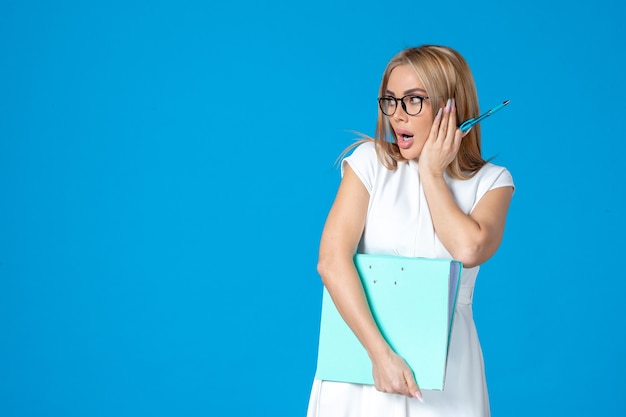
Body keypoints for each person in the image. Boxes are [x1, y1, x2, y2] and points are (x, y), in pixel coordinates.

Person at [306, 45, 515, 417]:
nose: (397, 116)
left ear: (453, 107)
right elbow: (330, 262)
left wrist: (431, 173)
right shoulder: (369, 162)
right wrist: (380, 356)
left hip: (447, 377)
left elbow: (468, 249)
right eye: (390, 100)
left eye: (414, 101)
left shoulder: (492, 182)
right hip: (360, 367)